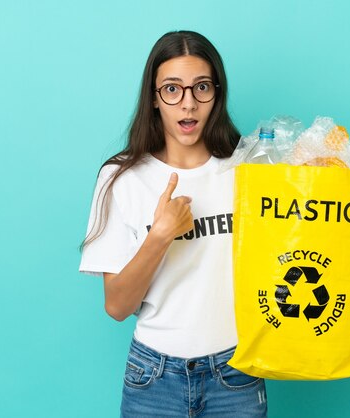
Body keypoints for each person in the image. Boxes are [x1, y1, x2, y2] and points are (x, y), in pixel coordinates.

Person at [78, 30, 268, 417]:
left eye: (201, 87)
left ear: (217, 92)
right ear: (153, 97)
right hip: (154, 379)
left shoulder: (248, 169)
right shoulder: (121, 178)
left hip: (236, 376)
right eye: (172, 89)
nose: (188, 104)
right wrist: (160, 234)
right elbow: (116, 306)